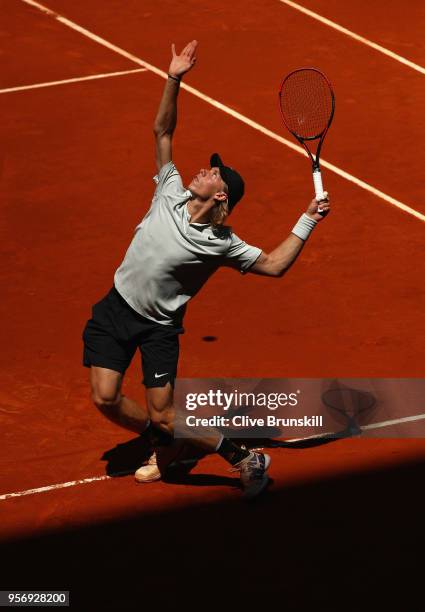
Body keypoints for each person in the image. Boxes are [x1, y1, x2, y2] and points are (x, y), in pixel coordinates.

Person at [82, 40, 330, 499]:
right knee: (105, 398)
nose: (202, 170)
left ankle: (245, 457)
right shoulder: (169, 190)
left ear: (221, 196)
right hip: (115, 308)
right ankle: (162, 442)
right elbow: (162, 132)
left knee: (165, 414)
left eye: (213, 173)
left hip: (157, 328)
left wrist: (308, 218)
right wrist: (174, 78)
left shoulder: (221, 244)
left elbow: (274, 265)